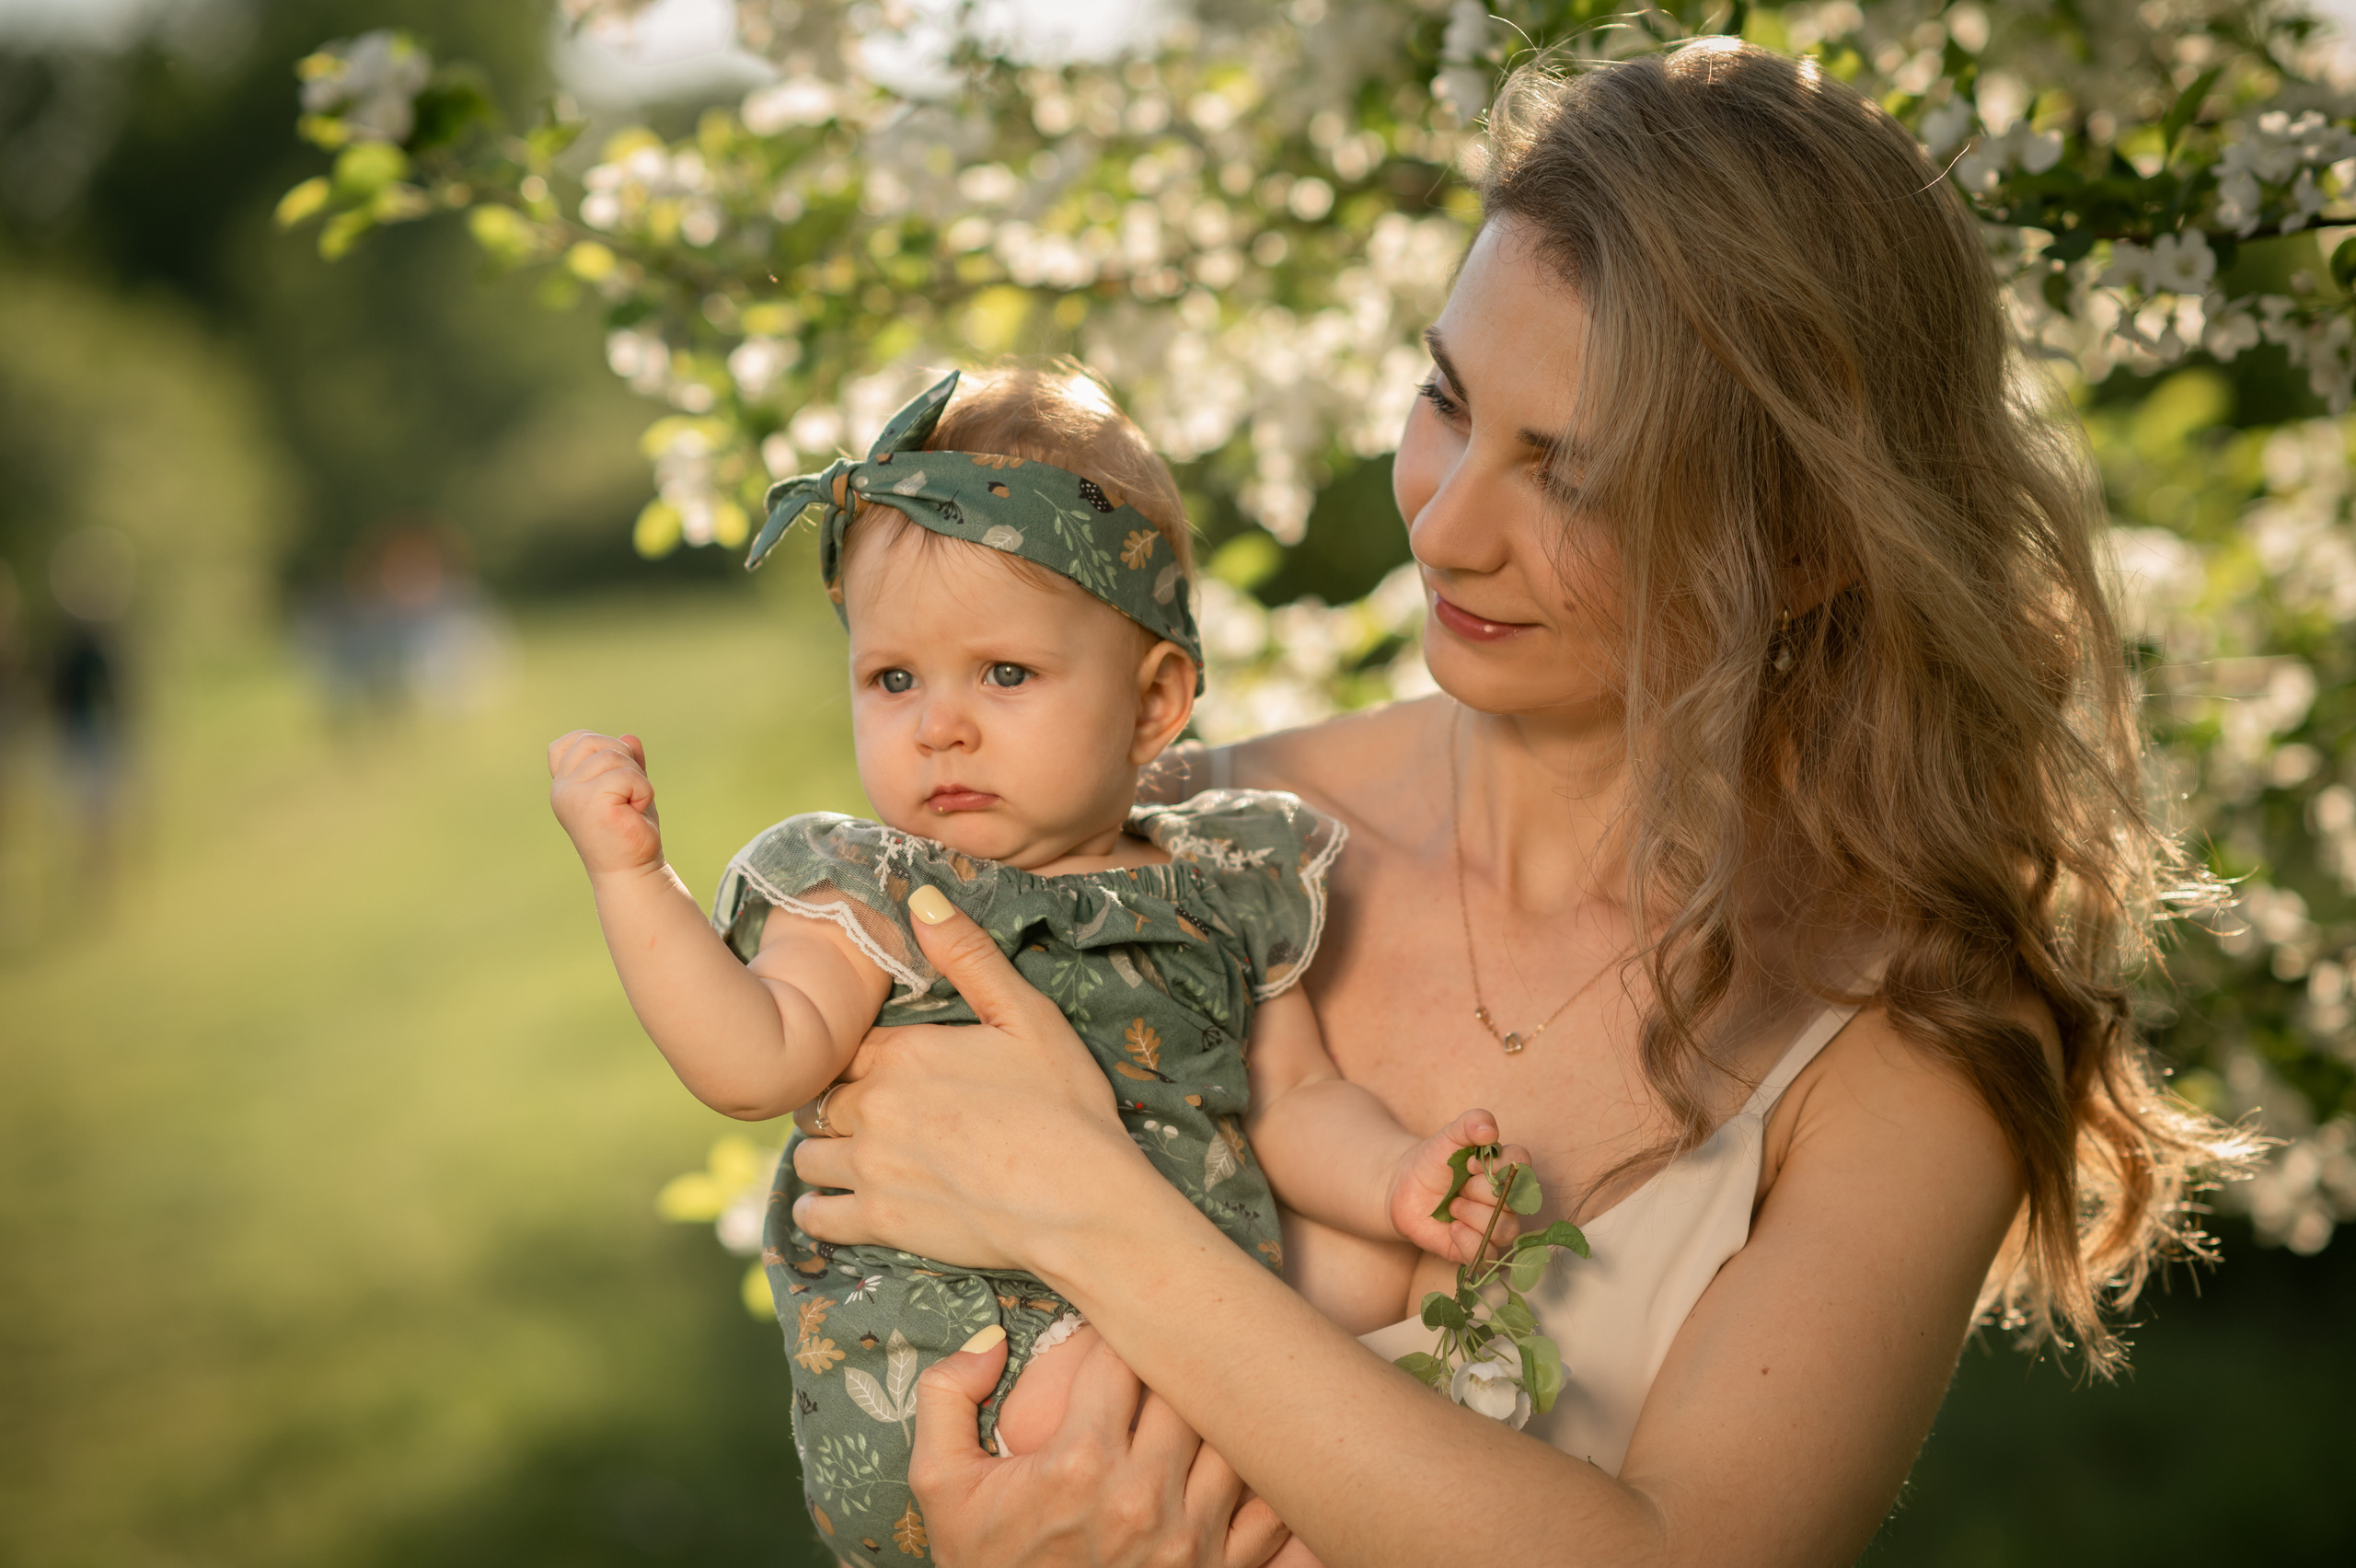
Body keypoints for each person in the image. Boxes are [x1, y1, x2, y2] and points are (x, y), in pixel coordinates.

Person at [780, 40, 2256, 1566]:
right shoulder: (1153, 840)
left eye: (1573, 476)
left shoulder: (1909, 1034)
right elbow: (891, 1329)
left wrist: (1091, 1214)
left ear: (1809, 547)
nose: (1446, 525)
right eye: (1447, 398)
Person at [547, 363, 1526, 1558]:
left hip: (1185, 1315)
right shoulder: (876, 890)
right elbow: (753, 1060)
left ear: (1153, 703)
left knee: (1372, 1278)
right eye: (893, 678)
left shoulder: (1221, 887)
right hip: (963, 1360)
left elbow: (1294, 1100)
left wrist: (1394, 1179)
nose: (939, 725)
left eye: (1004, 674)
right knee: (1197, 1433)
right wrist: (633, 879)